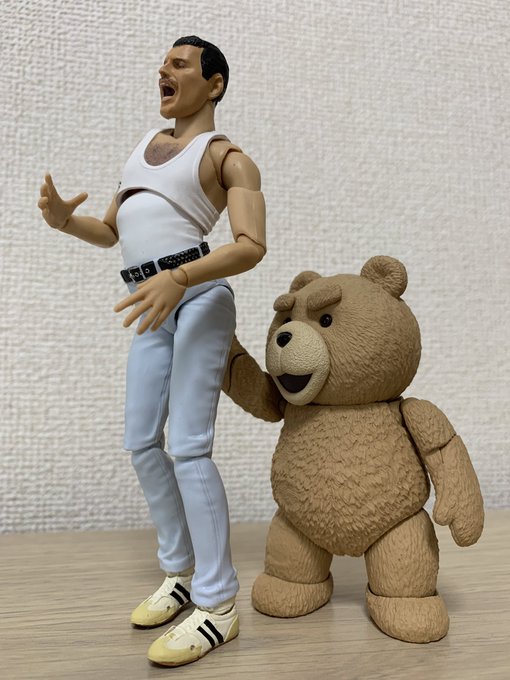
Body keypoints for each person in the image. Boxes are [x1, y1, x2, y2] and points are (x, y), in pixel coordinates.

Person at [38, 35, 266, 667]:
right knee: (142, 441)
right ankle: (181, 572)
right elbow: (112, 230)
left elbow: (250, 245)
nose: (163, 70)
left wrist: (180, 277)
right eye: (164, 63)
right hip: (149, 301)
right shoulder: (143, 147)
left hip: (196, 296)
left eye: (179, 64)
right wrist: (64, 221)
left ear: (214, 84)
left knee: (189, 445)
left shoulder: (227, 158)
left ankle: (219, 605)